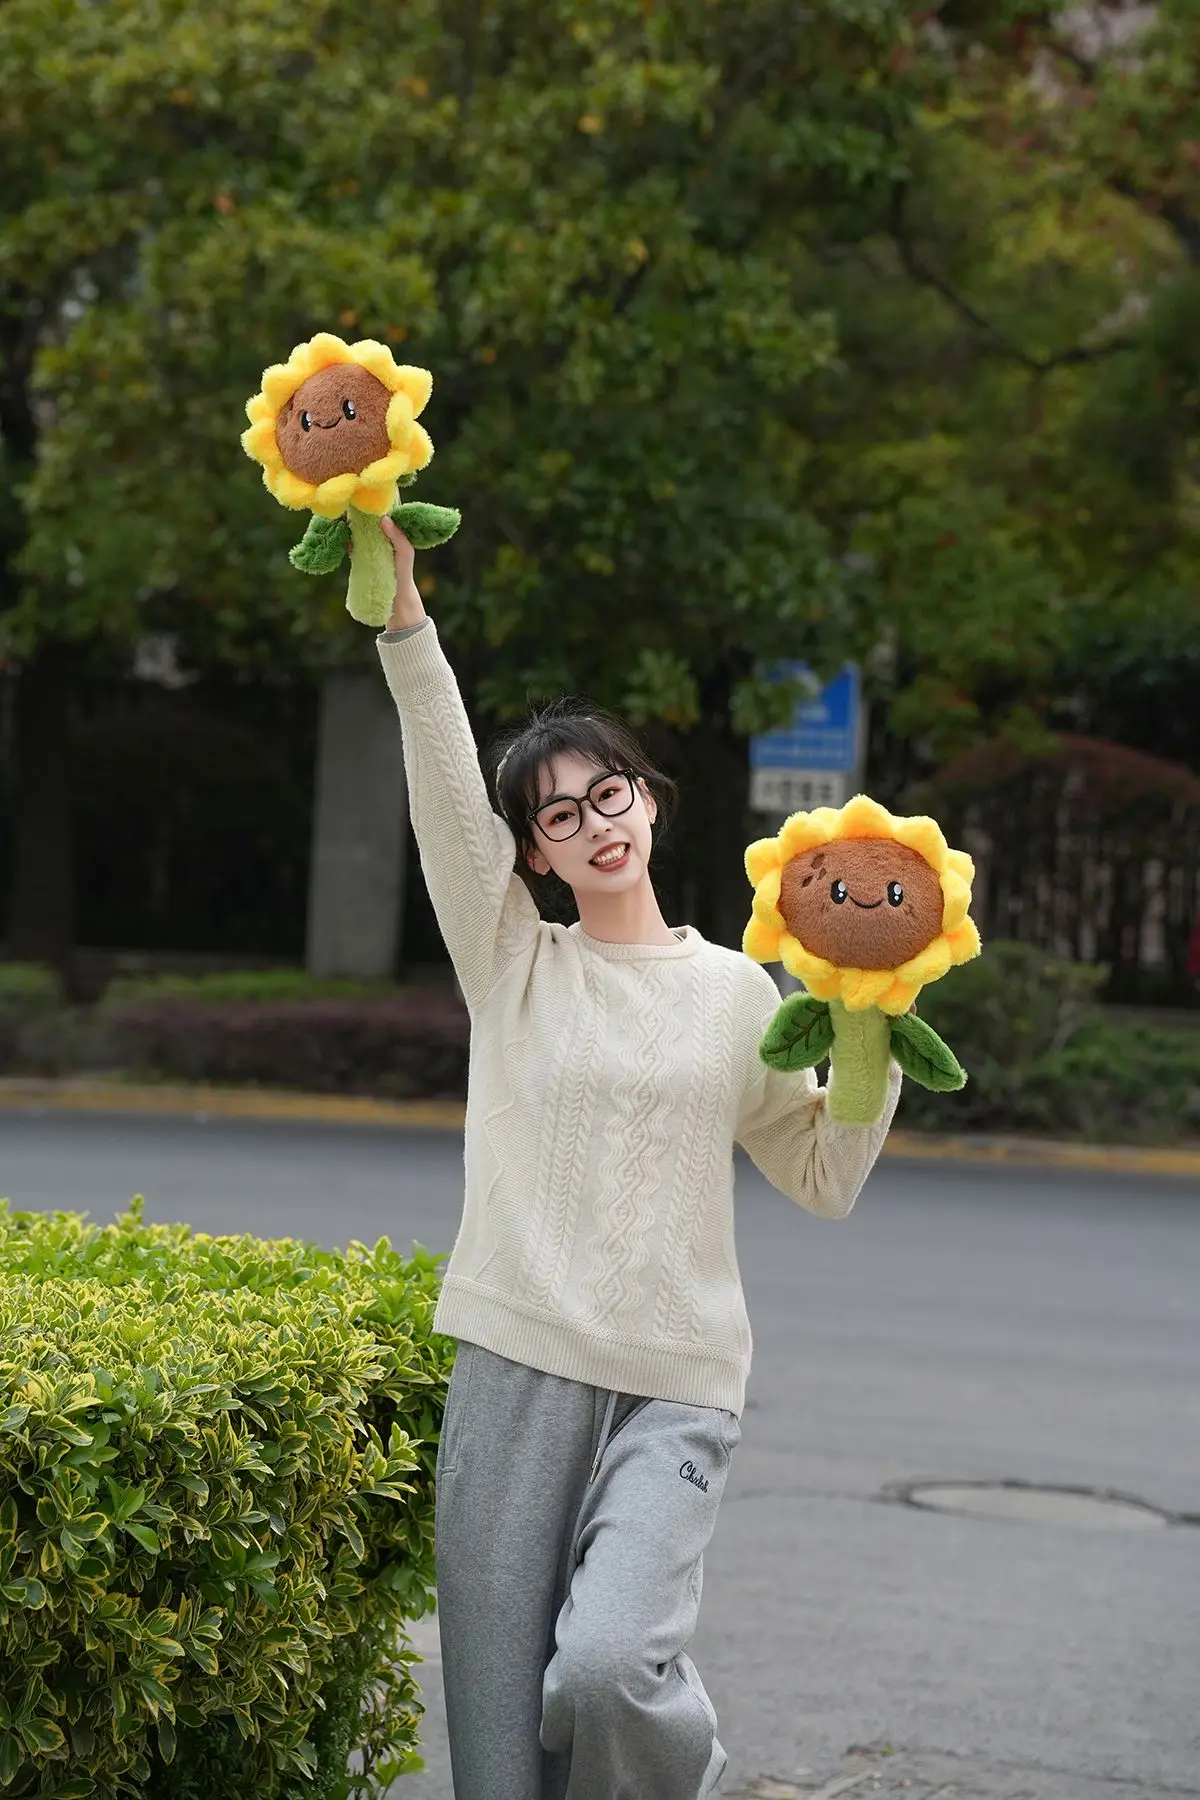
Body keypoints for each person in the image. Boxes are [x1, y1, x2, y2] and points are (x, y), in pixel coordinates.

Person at [373, 517, 902, 1800]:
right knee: (501, 1755)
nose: (593, 821)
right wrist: (404, 623)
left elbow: (825, 1174)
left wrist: (873, 1027)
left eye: (609, 791)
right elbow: (449, 790)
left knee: (608, 1668)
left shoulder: (737, 995)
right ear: (535, 855)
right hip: (515, 1374)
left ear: (649, 800)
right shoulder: (514, 967)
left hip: (674, 1386)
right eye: (558, 814)